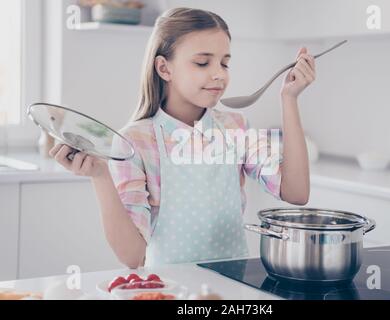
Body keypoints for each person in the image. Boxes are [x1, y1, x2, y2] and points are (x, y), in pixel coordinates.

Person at [49, 7, 315, 268]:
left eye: (225, 62)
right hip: (168, 289)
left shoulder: (236, 127)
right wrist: (100, 176)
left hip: (234, 286)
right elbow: (132, 257)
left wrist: (289, 99)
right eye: (202, 62)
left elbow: (296, 192)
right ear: (164, 68)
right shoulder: (135, 141)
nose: (219, 74)